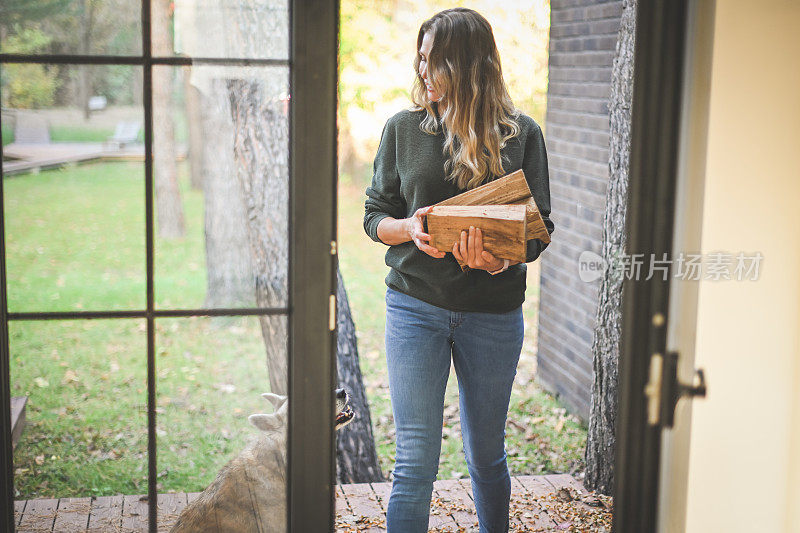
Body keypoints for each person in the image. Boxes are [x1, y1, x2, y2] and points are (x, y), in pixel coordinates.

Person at [362, 7, 554, 533]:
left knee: (486, 453)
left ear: (469, 65)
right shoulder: (403, 128)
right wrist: (411, 229)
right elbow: (374, 213)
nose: (422, 72)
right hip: (414, 306)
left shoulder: (522, 135)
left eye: (434, 61)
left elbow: (538, 232)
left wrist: (496, 261)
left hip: (492, 315)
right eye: (419, 60)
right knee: (416, 459)